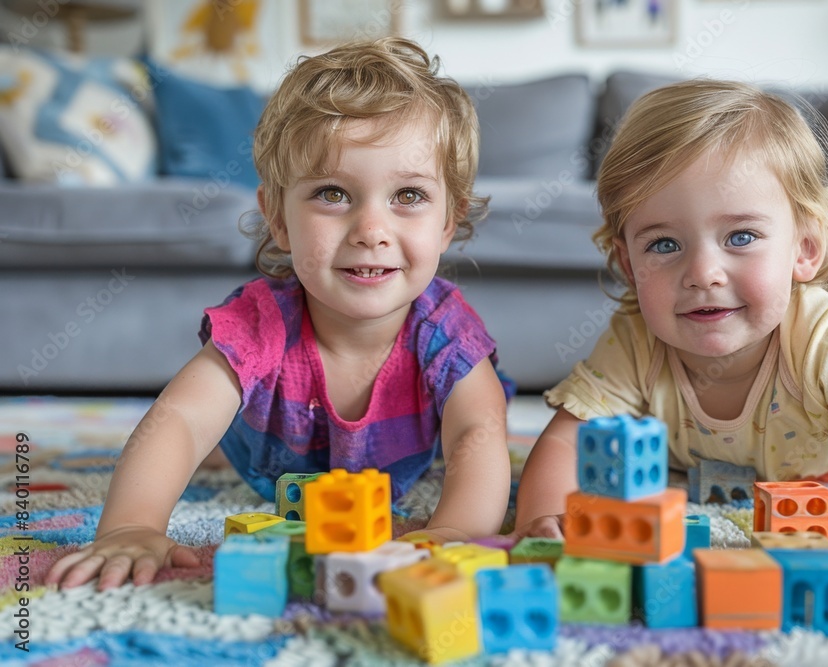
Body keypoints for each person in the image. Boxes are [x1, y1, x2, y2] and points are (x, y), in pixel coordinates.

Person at [513, 79, 828, 622]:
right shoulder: (635, 337)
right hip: (677, 485)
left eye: (740, 236)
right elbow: (566, 440)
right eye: (664, 245)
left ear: (805, 250)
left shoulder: (821, 337)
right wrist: (545, 519)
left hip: (806, 485)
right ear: (630, 266)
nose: (702, 274)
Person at [46, 37, 511, 590]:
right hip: (265, 460)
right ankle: (226, 447)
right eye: (333, 193)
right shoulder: (260, 324)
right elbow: (179, 420)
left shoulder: (444, 333)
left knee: (485, 410)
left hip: (399, 462)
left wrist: (453, 530)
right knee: (209, 430)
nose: (371, 231)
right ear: (280, 220)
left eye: (408, 196)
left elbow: (477, 435)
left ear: (447, 223)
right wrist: (129, 525)